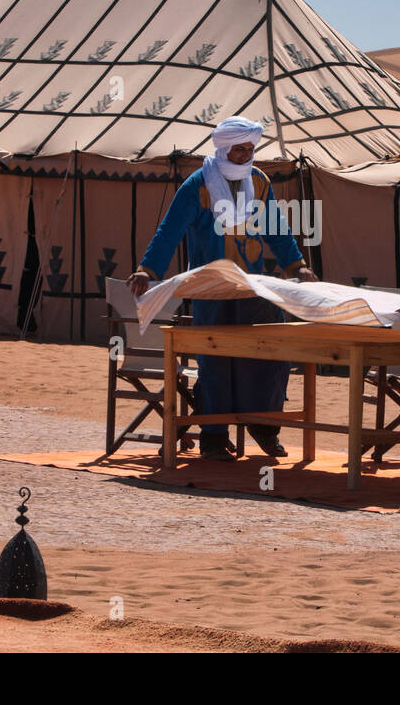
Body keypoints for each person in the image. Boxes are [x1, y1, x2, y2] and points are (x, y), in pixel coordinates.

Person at [127, 117, 318, 461]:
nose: (246, 155)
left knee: (268, 355)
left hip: (252, 287)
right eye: (240, 148)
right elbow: (170, 231)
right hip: (211, 288)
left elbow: (276, 227)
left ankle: (264, 425)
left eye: (250, 148)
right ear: (224, 147)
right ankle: (214, 436)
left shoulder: (258, 182)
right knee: (215, 363)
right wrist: (147, 269)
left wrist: (297, 265)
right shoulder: (199, 185)